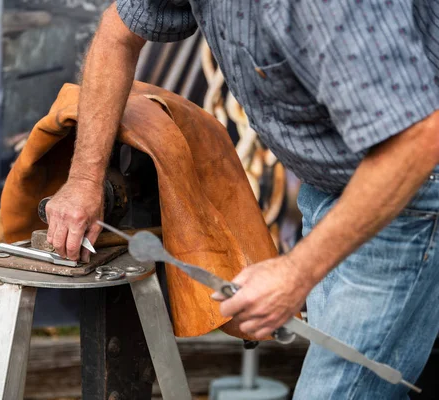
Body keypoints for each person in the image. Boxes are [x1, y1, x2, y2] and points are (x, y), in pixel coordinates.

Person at [44, 1, 439, 397]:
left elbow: (419, 137)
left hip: (412, 189)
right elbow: (117, 36)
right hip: (336, 183)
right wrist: (83, 178)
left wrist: (296, 272)